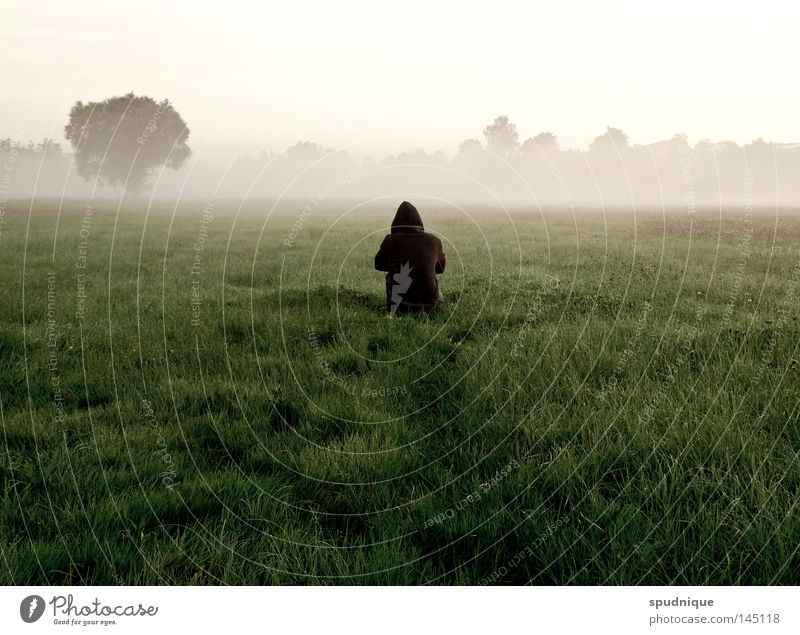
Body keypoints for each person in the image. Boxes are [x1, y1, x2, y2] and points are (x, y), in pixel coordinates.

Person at [374, 201, 446, 314]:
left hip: (398, 306)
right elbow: (441, 269)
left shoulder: (390, 240)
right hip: (430, 305)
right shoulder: (434, 241)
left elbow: (378, 265)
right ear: (419, 221)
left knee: (391, 276)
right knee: (439, 294)